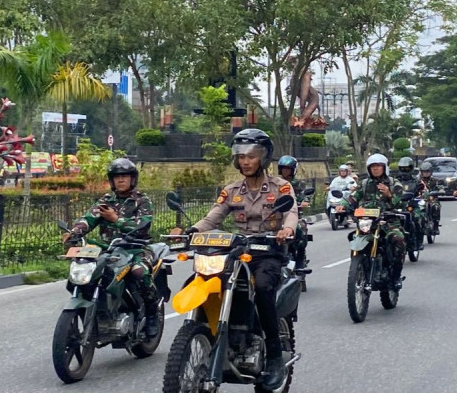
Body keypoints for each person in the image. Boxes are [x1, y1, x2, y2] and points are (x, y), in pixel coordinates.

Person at [170, 129, 297, 391]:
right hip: (237, 250)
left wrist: (287, 229)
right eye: (241, 157)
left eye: (251, 156)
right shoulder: (231, 190)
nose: (245, 161)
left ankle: (273, 354)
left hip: (267, 251)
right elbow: (212, 217)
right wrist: (193, 231)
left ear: (263, 157)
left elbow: (291, 212)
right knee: (200, 279)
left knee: (262, 288)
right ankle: (208, 332)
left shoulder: (280, 187)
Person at [63, 158, 160, 338]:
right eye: (117, 177)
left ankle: (152, 312)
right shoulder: (105, 201)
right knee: (86, 271)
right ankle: (98, 310)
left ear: (132, 179)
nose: (121, 180)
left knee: (139, 273)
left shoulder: (142, 201)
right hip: (107, 249)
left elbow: (143, 225)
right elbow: (88, 219)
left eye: (125, 176)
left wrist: (116, 219)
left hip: (136, 248)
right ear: (112, 180)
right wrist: (75, 232)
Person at [341, 153, 406, 287]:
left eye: (378, 166)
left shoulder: (394, 183)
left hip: (388, 222)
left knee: (398, 240)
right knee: (352, 236)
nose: (375, 169)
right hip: (368, 222)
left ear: (384, 168)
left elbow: (402, 203)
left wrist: (389, 194)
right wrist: (343, 205)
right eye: (373, 166)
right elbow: (353, 197)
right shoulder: (364, 184)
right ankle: (360, 267)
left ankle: (396, 276)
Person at [277, 155, 311, 270]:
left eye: (288, 169)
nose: (285, 171)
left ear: (293, 170)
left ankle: (300, 261)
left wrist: (305, 202)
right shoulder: (276, 183)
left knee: (301, 233)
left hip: (295, 216)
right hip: (278, 217)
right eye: (283, 168)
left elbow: (303, 196)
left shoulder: (298, 184)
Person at [392, 157, 424, 249]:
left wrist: (420, 191)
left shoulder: (416, 180)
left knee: (417, 218)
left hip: (412, 204)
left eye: (407, 168)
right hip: (398, 204)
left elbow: (422, 189)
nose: (404, 171)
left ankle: (418, 241)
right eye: (402, 168)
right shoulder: (395, 181)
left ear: (411, 168)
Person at [417, 161, 442, 235]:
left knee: (436, 207)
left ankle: (436, 226)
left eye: (427, 171)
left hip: (432, 199)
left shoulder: (435, 180)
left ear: (431, 171)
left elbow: (440, 187)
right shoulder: (418, 181)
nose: (426, 173)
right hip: (421, 199)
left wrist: (441, 190)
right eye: (424, 171)